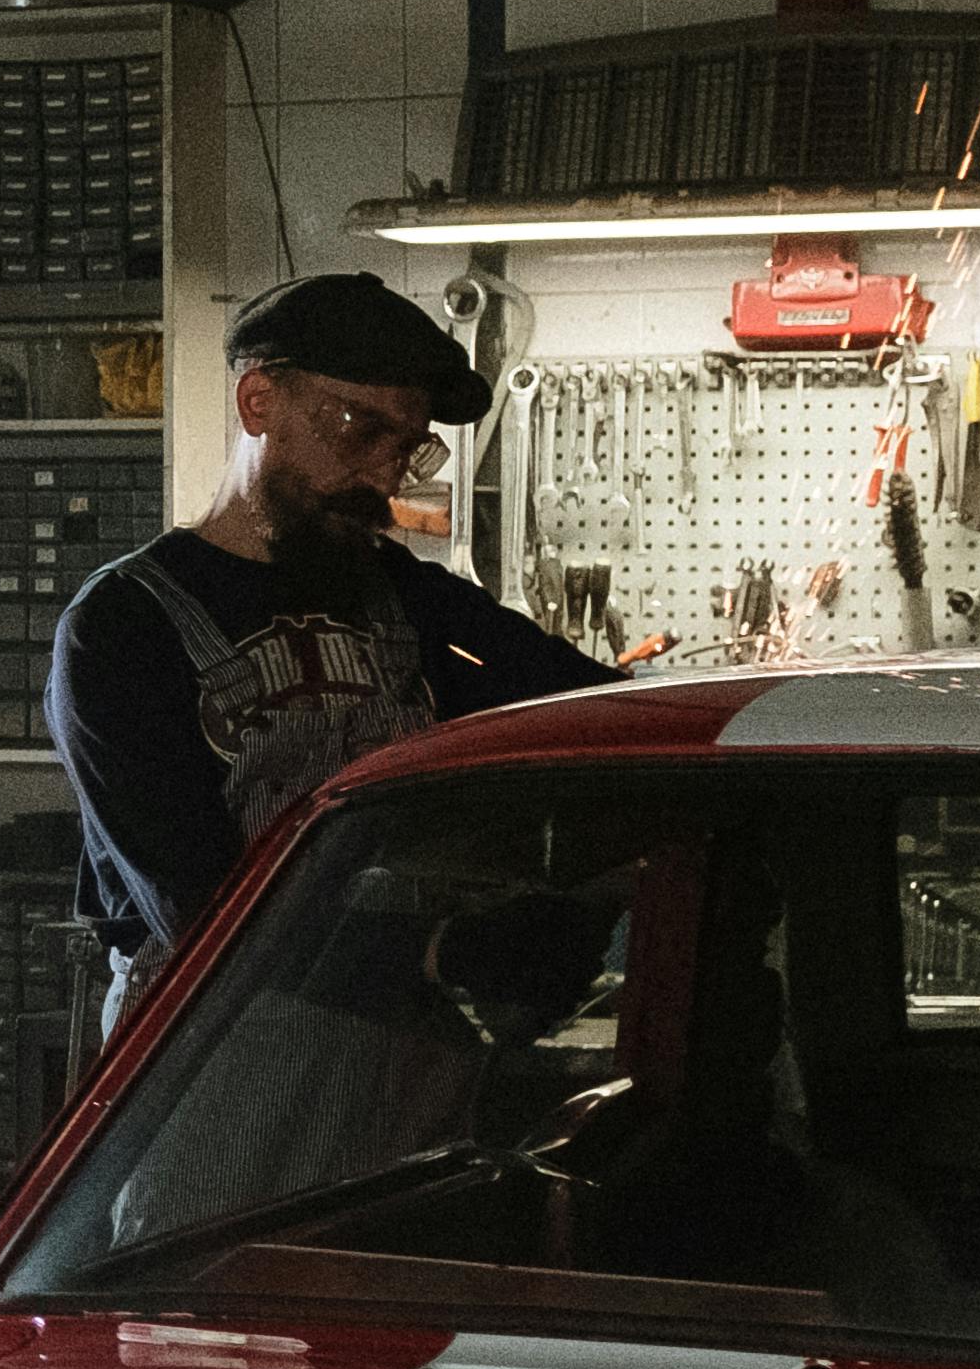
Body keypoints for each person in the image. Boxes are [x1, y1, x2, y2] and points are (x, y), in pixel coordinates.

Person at [43, 270, 613, 1026]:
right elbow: (203, 916)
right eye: (358, 428)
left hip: (399, 1040)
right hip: (210, 1052)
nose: (381, 474)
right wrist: (443, 950)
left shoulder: (405, 596)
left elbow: (590, 706)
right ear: (258, 402)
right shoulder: (122, 625)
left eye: (407, 449)